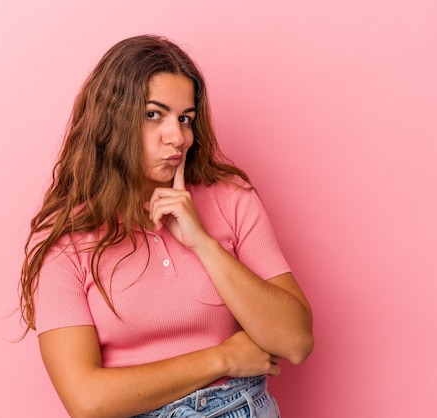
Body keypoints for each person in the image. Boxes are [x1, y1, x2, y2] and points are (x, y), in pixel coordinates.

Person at [19, 34, 313, 418]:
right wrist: (222, 359)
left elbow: (295, 341)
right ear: (112, 120)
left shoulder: (229, 199)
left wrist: (203, 244)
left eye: (185, 118)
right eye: (153, 114)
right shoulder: (66, 240)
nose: (179, 137)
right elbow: (87, 400)